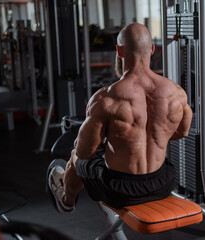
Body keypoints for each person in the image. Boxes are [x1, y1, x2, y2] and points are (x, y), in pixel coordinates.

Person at [48, 23, 193, 213]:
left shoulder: (105, 98)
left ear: (119, 51)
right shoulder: (177, 93)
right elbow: (182, 132)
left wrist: (122, 140)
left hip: (120, 191)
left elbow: (85, 152)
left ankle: (66, 201)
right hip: (162, 183)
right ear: (151, 49)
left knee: (75, 157)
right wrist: (153, 135)